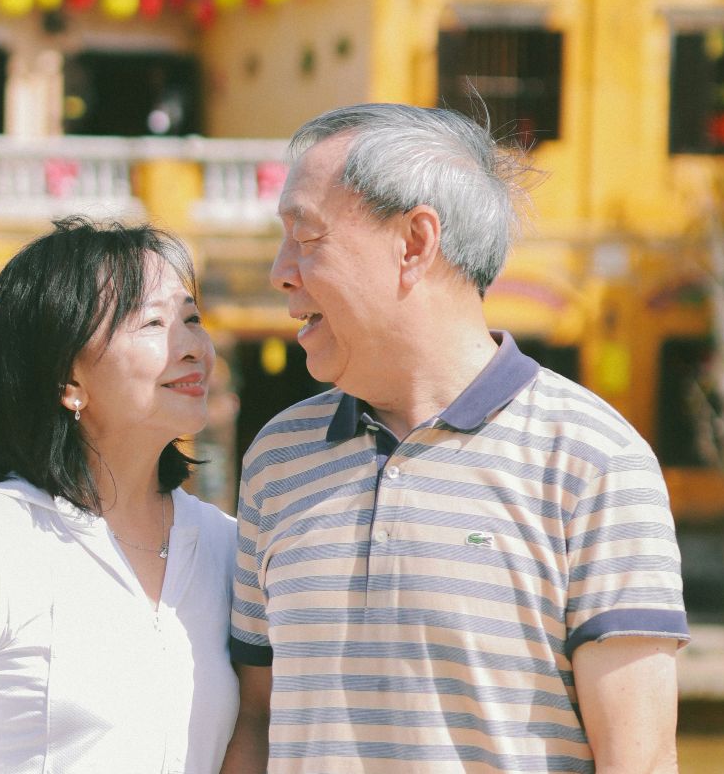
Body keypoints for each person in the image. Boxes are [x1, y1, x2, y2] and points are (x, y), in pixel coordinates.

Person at [221, 104, 688, 774]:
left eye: (307, 236)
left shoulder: (591, 460)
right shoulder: (278, 455)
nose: (280, 271)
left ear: (414, 242)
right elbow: (257, 724)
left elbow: (637, 761)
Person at [0, 217, 238, 773]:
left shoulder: (226, 547)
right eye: (154, 323)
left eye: (192, 319)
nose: (192, 348)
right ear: (68, 380)